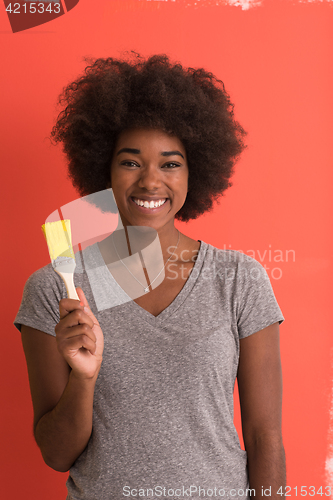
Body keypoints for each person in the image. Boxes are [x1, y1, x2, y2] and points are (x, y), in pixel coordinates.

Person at [15, 54, 286, 500]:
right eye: (131, 162)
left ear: (195, 171)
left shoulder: (240, 280)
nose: (150, 182)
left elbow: (264, 437)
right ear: (103, 167)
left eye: (170, 163)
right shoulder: (55, 289)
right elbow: (56, 454)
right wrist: (84, 377)